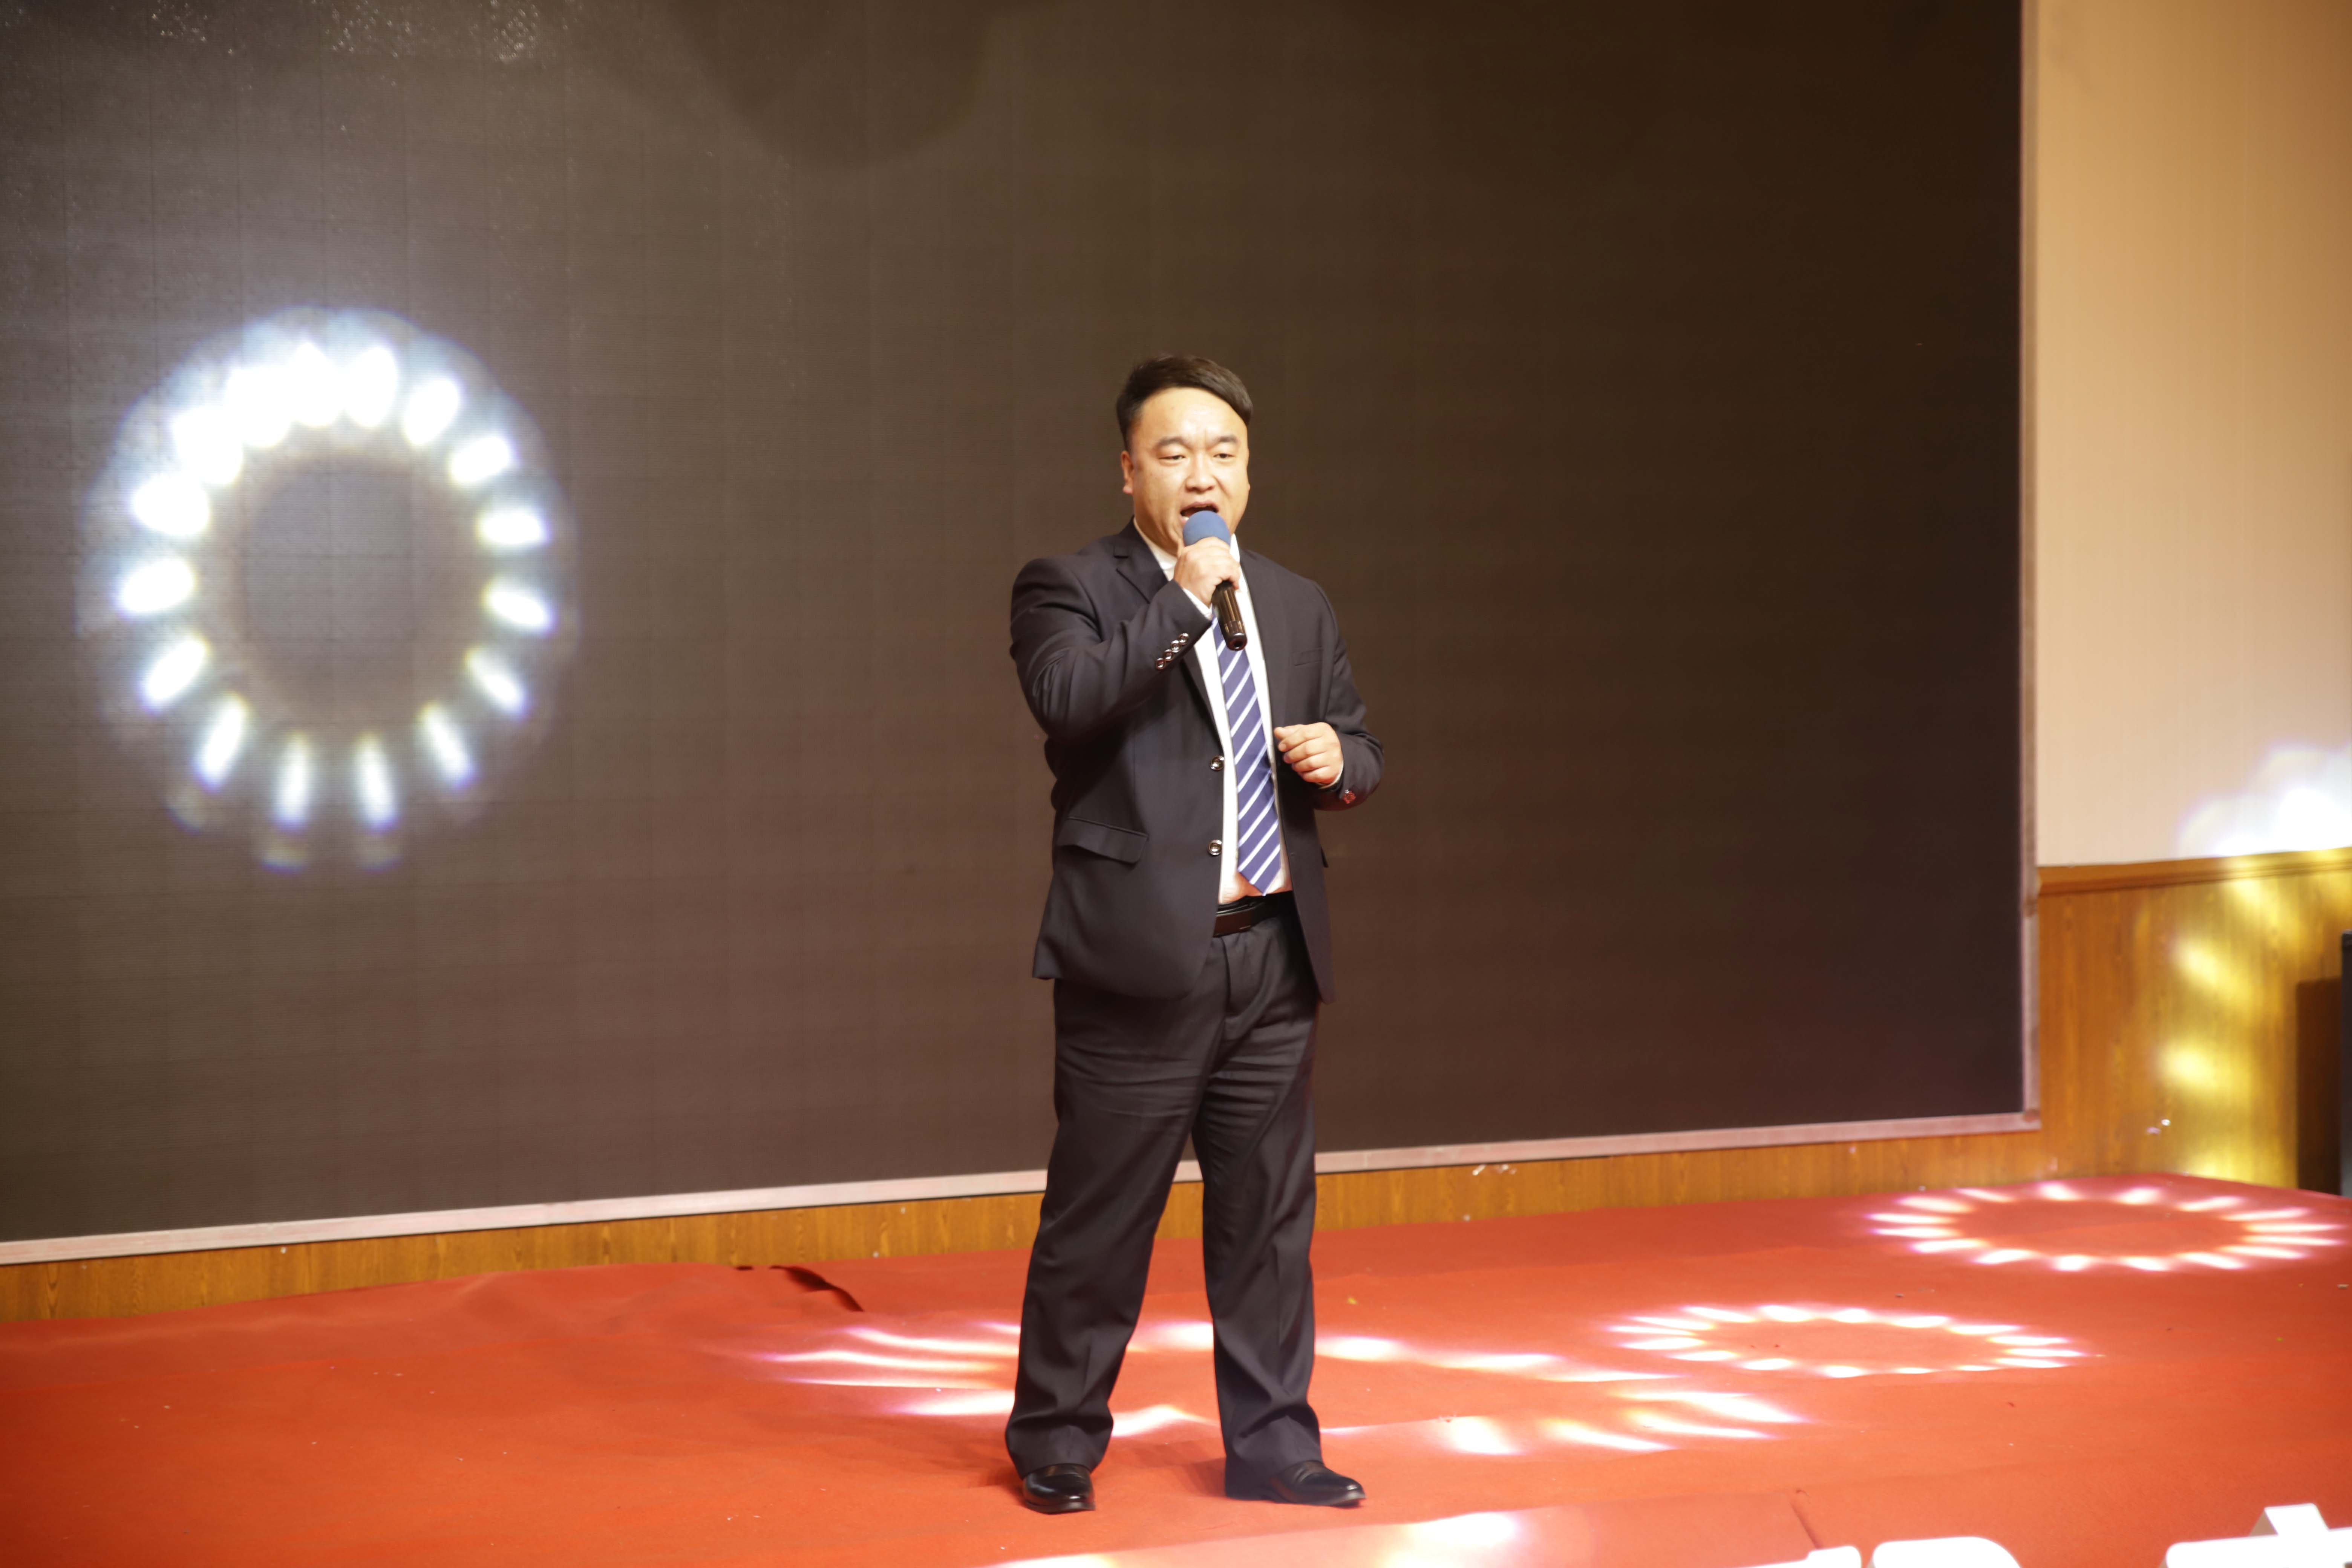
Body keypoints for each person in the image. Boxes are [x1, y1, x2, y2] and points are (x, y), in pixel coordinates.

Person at [1003, 355, 1382, 1514]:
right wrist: (1181, 598)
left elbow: (1360, 742)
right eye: (1174, 453)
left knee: (1268, 1222)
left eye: (1223, 453)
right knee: (1101, 1216)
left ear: (1250, 472)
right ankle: (1058, 1440)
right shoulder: (1070, 586)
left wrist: (1341, 761)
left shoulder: (1297, 601)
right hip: (1139, 960)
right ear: (1131, 471)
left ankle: (1275, 1447)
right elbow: (1068, 702)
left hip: (1273, 953)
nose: (1201, 473)